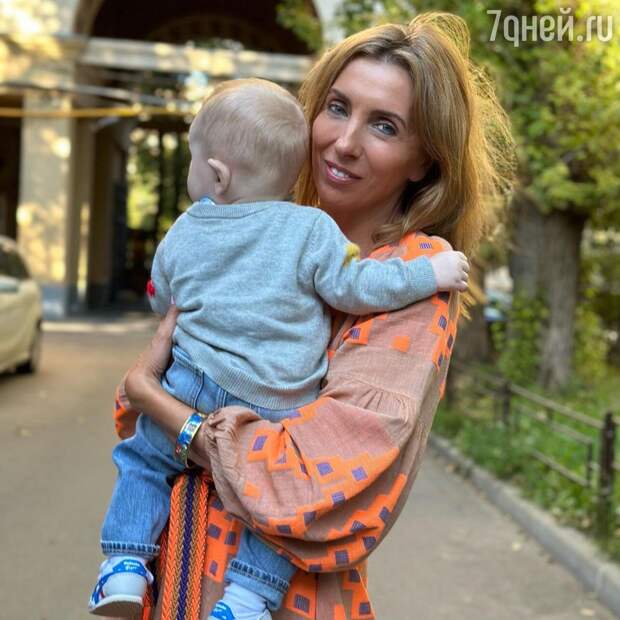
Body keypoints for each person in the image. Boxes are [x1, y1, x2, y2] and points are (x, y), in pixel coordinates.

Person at [117, 11, 515, 620]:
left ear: (423, 160)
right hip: (171, 580)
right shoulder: (262, 230)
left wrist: (165, 407)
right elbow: (134, 418)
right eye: (336, 107)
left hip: (284, 603)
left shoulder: (415, 276)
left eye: (383, 125)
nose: (344, 141)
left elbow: (303, 484)